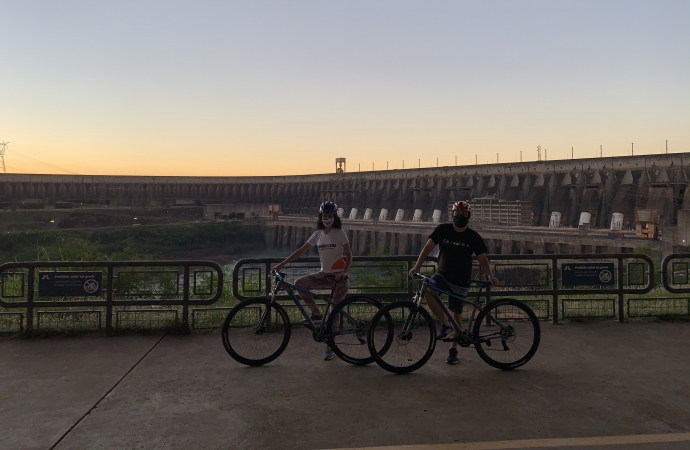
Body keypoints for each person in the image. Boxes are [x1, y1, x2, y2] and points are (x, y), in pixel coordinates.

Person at [408, 201, 499, 365]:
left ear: (468, 217)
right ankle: (445, 325)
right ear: (453, 214)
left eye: (463, 214)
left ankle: (453, 349)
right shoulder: (443, 230)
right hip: (442, 274)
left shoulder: (473, 236)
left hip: (461, 279)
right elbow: (427, 248)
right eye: (458, 213)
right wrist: (417, 267)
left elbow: (482, 258)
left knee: (456, 313)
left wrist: (489, 275)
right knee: (428, 290)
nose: (460, 216)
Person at [273, 201, 352, 361]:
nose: (327, 218)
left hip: (339, 279)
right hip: (324, 275)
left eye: (329, 216)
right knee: (299, 283)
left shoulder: (339, 233)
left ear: (334, 217)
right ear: (321, 217)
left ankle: (330, 346)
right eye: (324, 216)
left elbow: (349, 256)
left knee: (334, 312)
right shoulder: (318, 235)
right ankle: (316, 313)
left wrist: (344, 272)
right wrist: (281, 264)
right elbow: (301, 251)